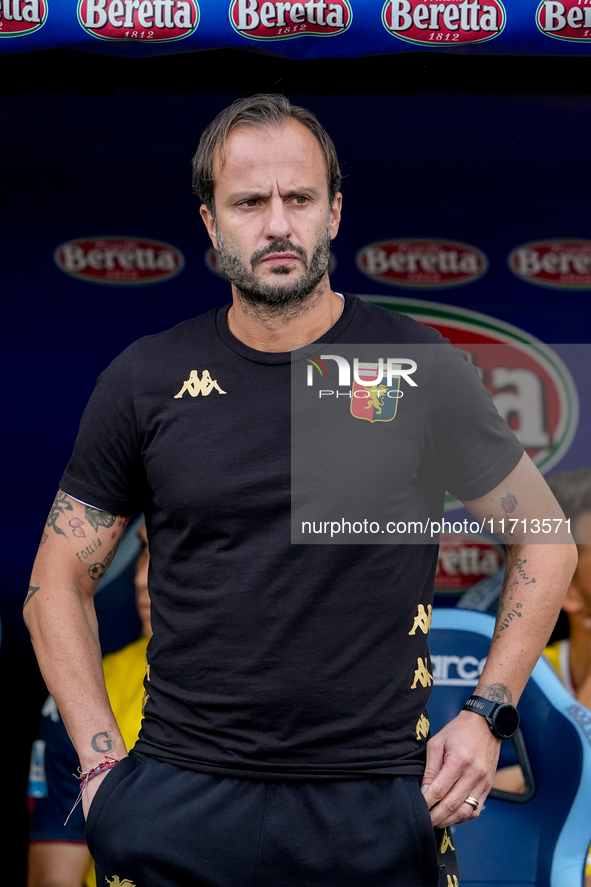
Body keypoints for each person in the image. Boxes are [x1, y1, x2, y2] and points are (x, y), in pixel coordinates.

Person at [23, 94, 577, 887]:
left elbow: (545, 539)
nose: (277, 224)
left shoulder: (412, 367)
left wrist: (488, 713)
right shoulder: (146, 378)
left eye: (299, 198)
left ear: (334, 212)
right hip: (179, 802)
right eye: (249, 201)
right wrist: (103, 766)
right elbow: (54, 585)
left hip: (375, 804)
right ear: (212, 223)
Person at [27, 520, 150, 887]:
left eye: (173, 552)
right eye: (144, 551)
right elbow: (53, 874)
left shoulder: (298, 686)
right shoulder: (89, 684)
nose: (142, 578)